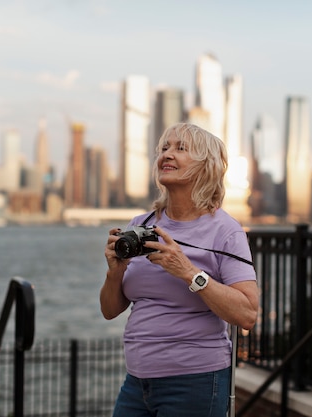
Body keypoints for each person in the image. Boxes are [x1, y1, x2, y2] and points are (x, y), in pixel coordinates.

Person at [100, 122, 259, 417]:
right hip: (137, 382)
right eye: (164, 148)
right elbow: (110, 310)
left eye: (181, 148)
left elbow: (247, 313)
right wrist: (115, 271)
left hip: (195, 382)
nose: (167, 155)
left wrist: (188, 272)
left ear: (205, 166)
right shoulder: (141, 224)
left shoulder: (225, 231)